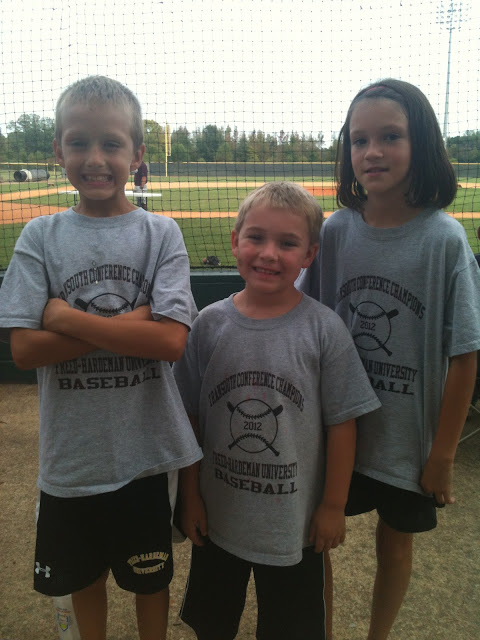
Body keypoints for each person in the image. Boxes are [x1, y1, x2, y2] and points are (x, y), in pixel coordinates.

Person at [0, 75, 202, 640]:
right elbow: (23, 350)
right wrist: (133, 322)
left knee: (149, 582)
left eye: (111, 144)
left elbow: (171, 341)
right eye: (79, 143)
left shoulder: (161, 233)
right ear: (58, 151)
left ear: (136, 155)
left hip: (145, 453)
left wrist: (66, 319)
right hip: (71, 459)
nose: (95, 158)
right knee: (83, 578)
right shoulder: (40, 236)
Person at [297, 78, 480, 640]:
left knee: (395, 545)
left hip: (407, 438)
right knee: (314, 538)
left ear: (420, 142)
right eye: (360, 140)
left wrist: (443, 454)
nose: (372, 151)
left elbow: (464, 355)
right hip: (339, 430)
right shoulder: (335, 231)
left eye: (390, 136)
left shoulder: (444, 240)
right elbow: (304, 318)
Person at [172, 181, 381, 640]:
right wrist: (190, 496)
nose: (269, 254)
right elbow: (189, 419)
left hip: (295, 527)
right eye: (256, 238)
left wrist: (333, 505)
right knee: (212, 624)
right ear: (235, 241)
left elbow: (343, 424)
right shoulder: (208, 324)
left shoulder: (324, 330)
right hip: (218, 517)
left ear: (309, 254)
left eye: (287, 243)